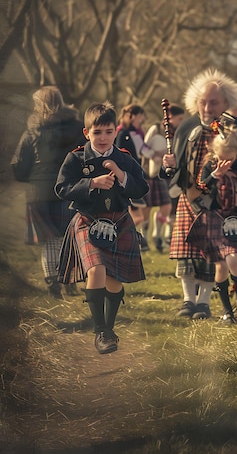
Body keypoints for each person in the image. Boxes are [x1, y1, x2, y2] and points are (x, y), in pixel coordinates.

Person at [55, 101, 149, 354]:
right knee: (96, 270)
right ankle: (100, 331)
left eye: (108, 132)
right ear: (87, 133)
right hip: (88, 220)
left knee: (114, 279)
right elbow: (62, 189)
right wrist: (91, 183)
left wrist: (120, 174)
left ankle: (109, 329)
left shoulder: (125, 159)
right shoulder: (76, 158)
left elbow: (142, 189)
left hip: (120, 221)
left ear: (115, 132)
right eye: (97, 133)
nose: (103, 137)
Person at [161, 68, 237, 320]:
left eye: (214, 102)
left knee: (210, 255)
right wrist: (168, 166)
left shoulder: (231, 131)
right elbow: (173, 170)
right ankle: (188, 300)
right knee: (186, 254)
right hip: (188, 196)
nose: (207, 107)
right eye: (203, 101)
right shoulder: (186, 127)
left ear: (226, 103)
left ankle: (205, 302)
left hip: (216, 203)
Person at [11, 86, 85, 298]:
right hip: (69, 189)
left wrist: (31, 178)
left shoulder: (32, 130)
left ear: (40, 104)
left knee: (50, 238)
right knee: (68, 237)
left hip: (39, 192)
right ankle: (69, 279)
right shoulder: (77, 128)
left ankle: (52, 279)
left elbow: (18, 166)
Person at [191, 130, 237, 324]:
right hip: (214, 219)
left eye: (229, 159)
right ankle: (227, 311)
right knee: (220, 267)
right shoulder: (210, 166)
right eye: (222, 158)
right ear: (215, 151)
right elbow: (201, 187)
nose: (226, 163)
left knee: (233, 260)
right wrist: (215, 175)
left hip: (235, 219)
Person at [141, 104, 185, 252]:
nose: (181, 121)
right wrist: (157, 155)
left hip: (165, 174)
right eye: (179, 118)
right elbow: (143, 148)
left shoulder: (178, 133)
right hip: (150, 173)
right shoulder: (156, 129)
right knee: (147, 207)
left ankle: (158, 235)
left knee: (166, 206)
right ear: (170, 117)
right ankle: (144, 238)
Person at [115, 103, 152, 247]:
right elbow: (120, 155)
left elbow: (141, 150)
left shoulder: (136, 133)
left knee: (138, 213)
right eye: (139, 117)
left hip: (135, 175)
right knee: (136, 214)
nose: (141, 120)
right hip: (127, 178)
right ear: (132, 117)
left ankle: (134, 239)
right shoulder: (123, 133)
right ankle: (128, 238)